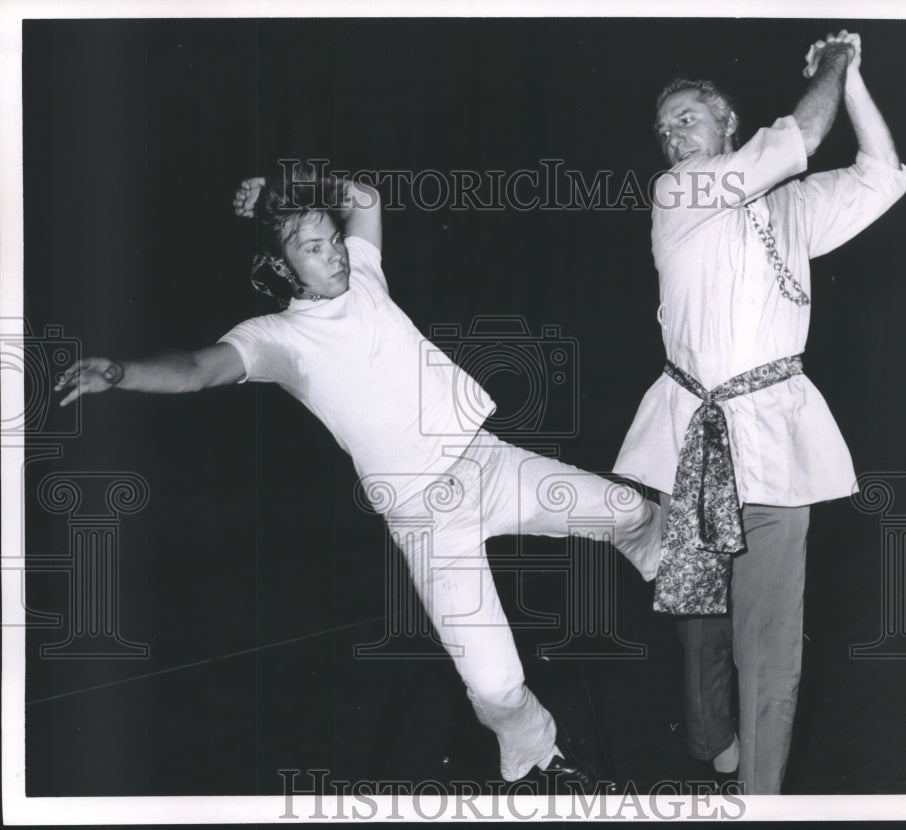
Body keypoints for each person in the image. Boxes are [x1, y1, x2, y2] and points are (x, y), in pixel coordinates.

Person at [55, 164, 664, 790]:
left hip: (491, 464)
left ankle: (667, 563)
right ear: (284, 270)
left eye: (334, 241)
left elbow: (364, 197)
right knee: (497, 686)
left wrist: (284, 183)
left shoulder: (367, 276)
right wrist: (120, 373)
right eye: (312, 250)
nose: (335, 257)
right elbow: (193, 369)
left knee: (629, 509)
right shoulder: (276, 339)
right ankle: (536, 752)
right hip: (427, 520)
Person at [613, 31, 906, 793]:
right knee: (701, 623)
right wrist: (834, 65)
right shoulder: (680, 191)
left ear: (727, 123)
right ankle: (712, 735)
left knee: (771, 644)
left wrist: (855, 83)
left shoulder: (791, 207)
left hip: (777, 441)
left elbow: (881, 174)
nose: (673, 134)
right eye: (665, 127)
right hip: (692, 437)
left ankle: (763, 801)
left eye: (687, 119)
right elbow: (804, 136)